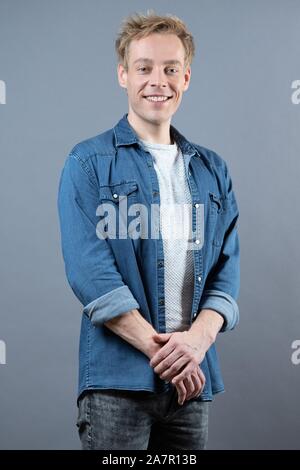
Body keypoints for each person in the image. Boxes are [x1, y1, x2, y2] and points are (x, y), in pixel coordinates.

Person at [57, 9, 240, 450]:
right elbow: (90, 273)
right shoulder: (87, 163)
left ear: (187, 77)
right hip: (117, 385)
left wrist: (196, 343)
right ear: (123, 75)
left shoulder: (213, 171)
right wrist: (169, 356)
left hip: (191, 387)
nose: (158, 80)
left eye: (170, 69)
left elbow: (226, 271)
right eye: (144, 68)